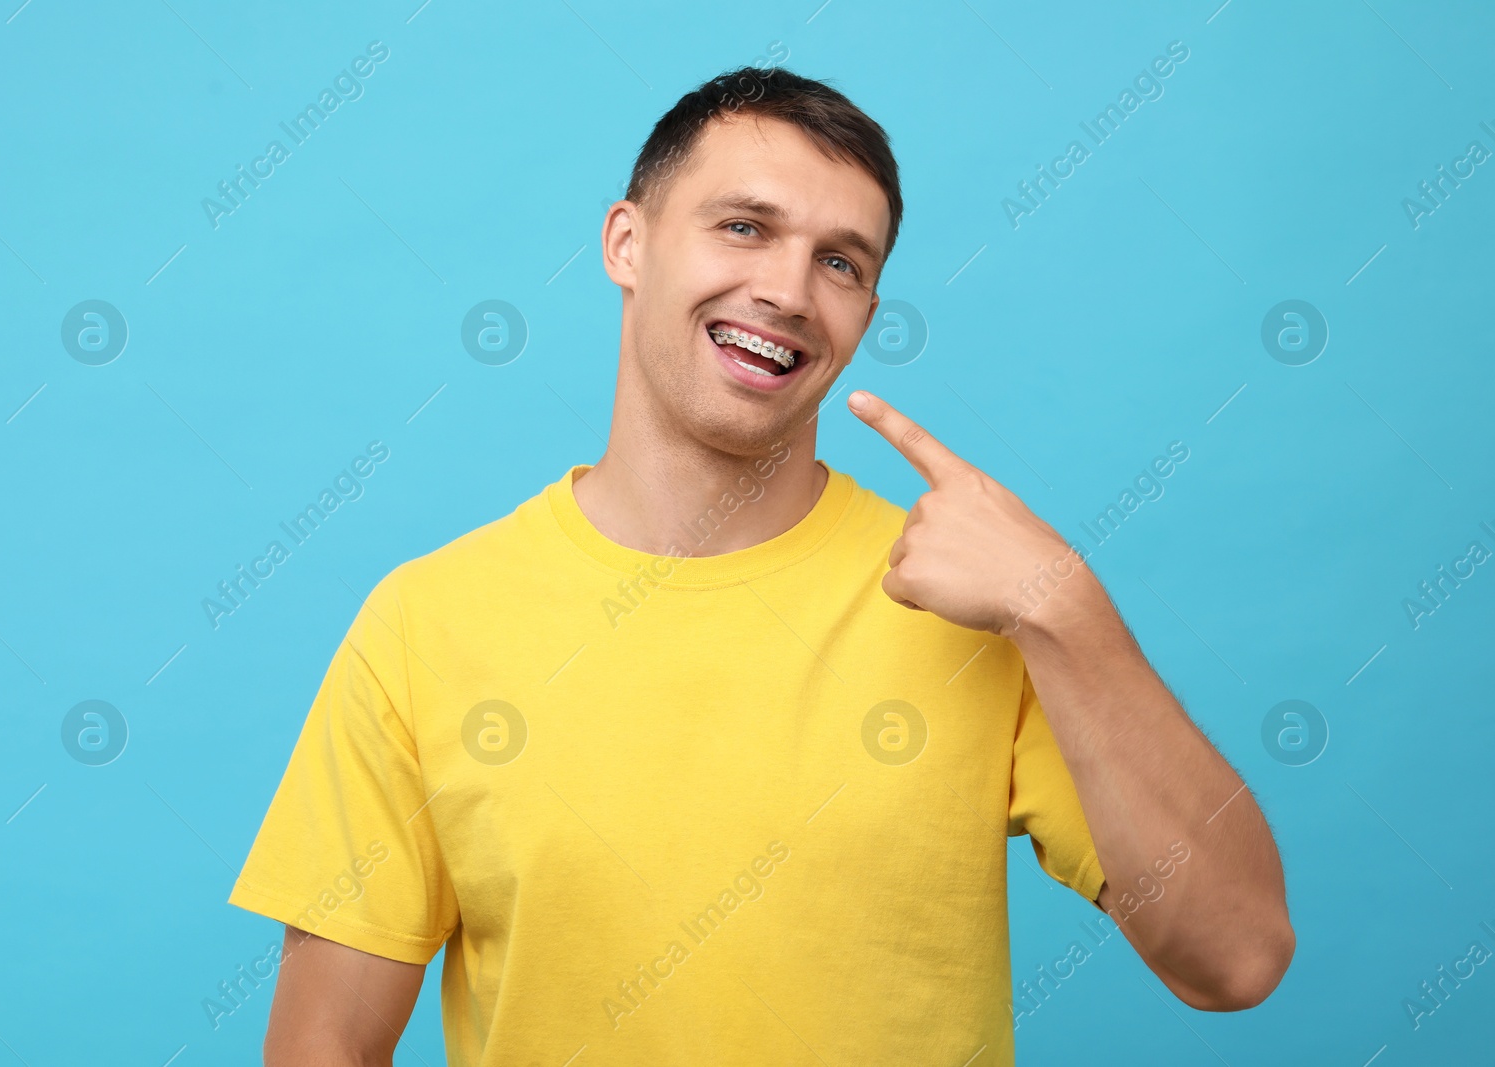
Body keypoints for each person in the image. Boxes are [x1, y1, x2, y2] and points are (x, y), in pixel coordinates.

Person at [228, 65, 1294, 1066]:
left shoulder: (972, 602)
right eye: (743, 227)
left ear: (865, 315)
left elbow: (1234, 957)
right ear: (626, 243)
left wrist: (1060, 602)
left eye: (841, 262)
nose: (788, 289)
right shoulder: (427, 622)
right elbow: (325, 1045)